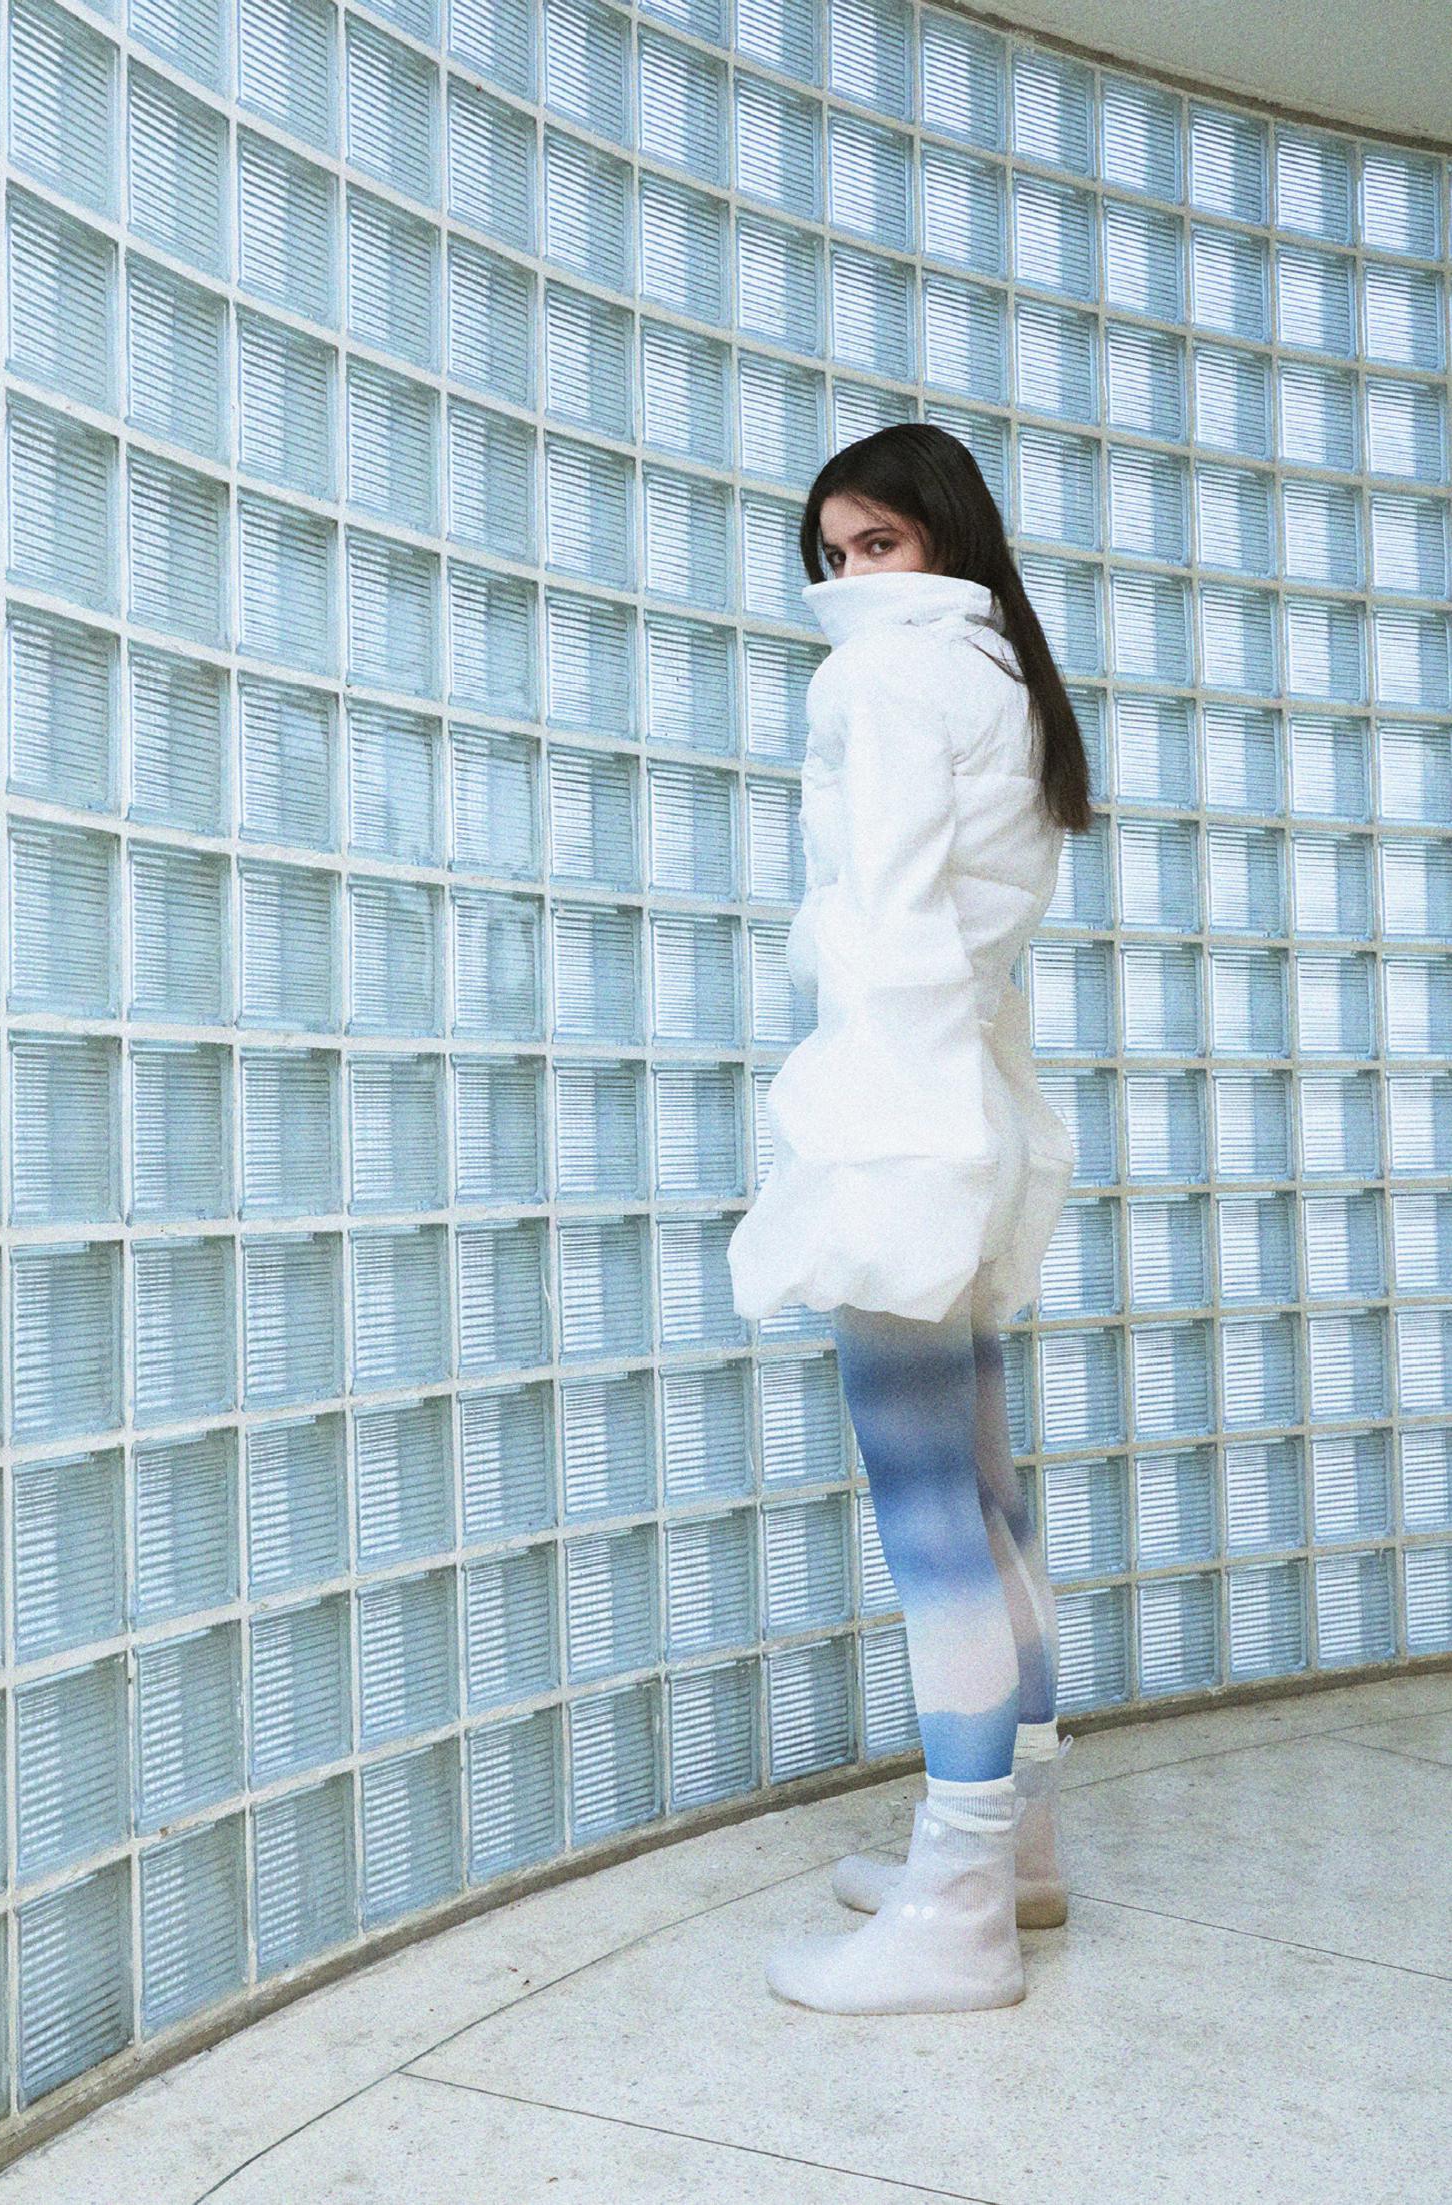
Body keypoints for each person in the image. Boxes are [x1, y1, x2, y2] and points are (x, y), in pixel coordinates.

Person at [726, 422, 1095, 2015]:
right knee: (989, 1502)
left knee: (932, 1519)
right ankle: (1013, 1851)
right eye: (835, 552)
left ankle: (956, 1913)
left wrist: (832, 1133)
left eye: (877, 542)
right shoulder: (1010, 677)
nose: (851, 576)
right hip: (981, 1115)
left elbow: (877, 928)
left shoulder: (879, 674)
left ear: (942, 532)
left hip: (902, 1124)